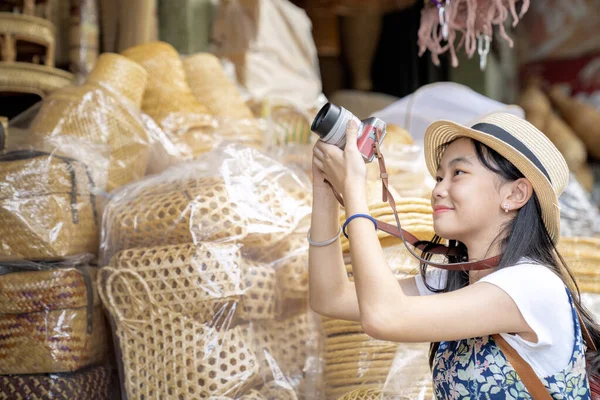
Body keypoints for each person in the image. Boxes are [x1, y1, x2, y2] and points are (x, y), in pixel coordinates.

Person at [308, 112, 600, 398]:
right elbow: (330, 297)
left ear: (514, 194)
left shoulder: (532, 285)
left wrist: (355, 191)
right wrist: (324, 190)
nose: (438, 190)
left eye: (458, 173)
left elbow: (384, 316)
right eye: (438, 177)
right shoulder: (459, 281)